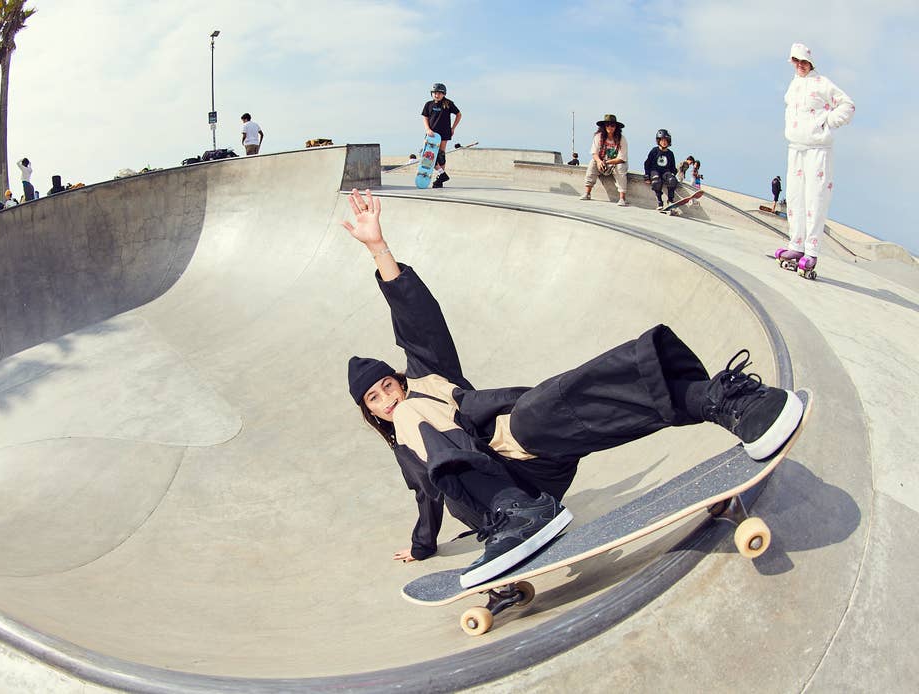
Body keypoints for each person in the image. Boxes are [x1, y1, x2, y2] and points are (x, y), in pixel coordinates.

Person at [342, 189, 806, 588]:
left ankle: (721, 400)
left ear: (401, 378)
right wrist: (421, 549)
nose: (390, 399)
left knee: (554, 402)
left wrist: (378, 248)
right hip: (501, 499)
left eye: (389, 385)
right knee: (417, 425)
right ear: (370, 412)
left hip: (527, 454)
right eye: (376, 400)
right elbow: (428, 500)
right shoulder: (407, 443)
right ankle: (514, 513)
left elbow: (419, 320)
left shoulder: (430, 377)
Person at [774, 43, 855, 275]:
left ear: (811, 63)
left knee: (815, 198)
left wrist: (827, 122)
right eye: (796, 61)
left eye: (804, 62)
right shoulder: (793, 84)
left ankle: (811, 251)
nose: (800, 65)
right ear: (792, 61)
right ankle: (796, 245)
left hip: (818, 149)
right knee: (795, 197)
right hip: (796, 147)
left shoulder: (822, 83)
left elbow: (848, 105)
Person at [580, 115, 629, 206]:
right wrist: (599, 161)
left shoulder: (621, 139)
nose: (610, 127)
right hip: (601, 162)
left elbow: (621, 158)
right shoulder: (598, 137)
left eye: (612, 125)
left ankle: (622, 198)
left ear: (616, 127)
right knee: (592, 163)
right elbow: (594, 153)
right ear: (604, 126)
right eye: (607, 125)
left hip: (615, 163)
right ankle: (587, 193)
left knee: (621, 167)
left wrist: (607, 162)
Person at [421, 83, 461, 188]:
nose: (436, 95)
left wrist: (453, 128)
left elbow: (459, 114)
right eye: (434, 93)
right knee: (427, 155)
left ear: (443, 94)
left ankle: (440, 179)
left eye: (439, 93)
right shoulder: (428, 104)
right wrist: (427, 129)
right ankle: (442, 173)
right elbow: (425, 117)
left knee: (440, 155)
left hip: (444, 132)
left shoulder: (448, 103)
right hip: (431, 133)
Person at [644, 129, 679, 210]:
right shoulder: (654, 151)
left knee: (672, 180)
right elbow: (647, 163)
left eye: (666, 140)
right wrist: (647, 175)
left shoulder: (670, 153)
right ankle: (660, 202)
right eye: (662, 140)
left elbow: (673, 167)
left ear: (669, 142)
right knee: (656, 181)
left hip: (665, 172)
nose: (664, 142)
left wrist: (673, 174)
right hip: (654, 170)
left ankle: (670, 200)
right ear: (658, 141)